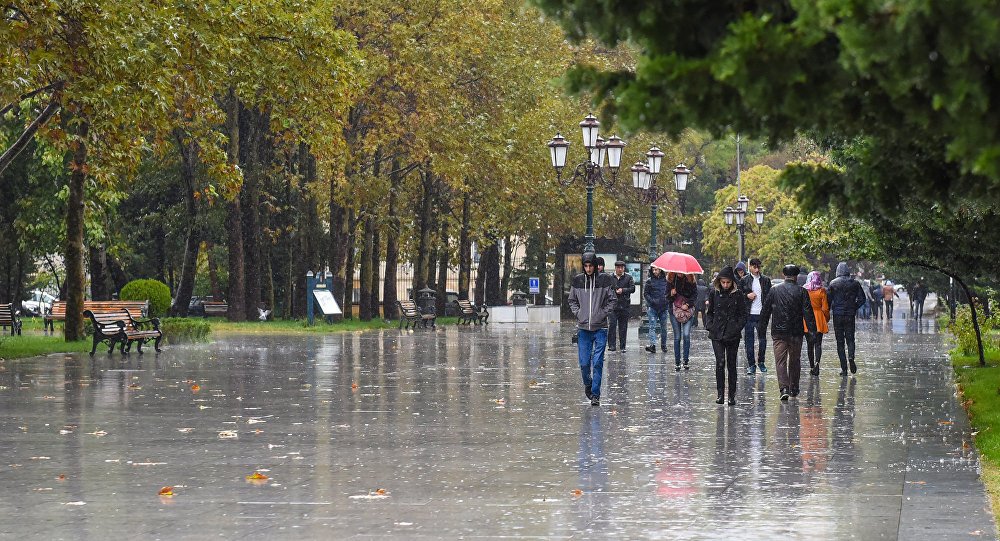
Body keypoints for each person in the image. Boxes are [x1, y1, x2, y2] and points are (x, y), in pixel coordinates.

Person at [757, 264, 817, 401]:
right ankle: (794, 387)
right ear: (796, 276)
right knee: (795, 360)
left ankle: (784, 388)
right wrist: (812, 332)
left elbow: (765, 312)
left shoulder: (774, 291)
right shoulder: (802, 292)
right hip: (796, 332)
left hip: (779, 332)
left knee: (780, 361)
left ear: (784, 275)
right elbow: (808, 313)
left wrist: (761, 329)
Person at [568, 252, 616, 406]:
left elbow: (612, 299)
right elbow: (572, 300)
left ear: (595, 266)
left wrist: (602, 313)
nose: (588, 269)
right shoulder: (577, 281)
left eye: (591, 266)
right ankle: (588, 384)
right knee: (583, 363)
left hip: (601, 327)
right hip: (583, 328)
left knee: (597, 362)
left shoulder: (605, 280)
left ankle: (595, 394)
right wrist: (578, 313)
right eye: (586, 266)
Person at [706, 266, 748, 405]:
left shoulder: (738, 295)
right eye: (723, 282)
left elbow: (743, 314)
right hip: (717, 333)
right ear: (719, 282)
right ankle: (720, 394)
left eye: (728, 283)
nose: (725, 285)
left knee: (731, 364)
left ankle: (731, 395)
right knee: (720, 362)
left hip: (732, 333)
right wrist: (710, 325)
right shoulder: (714, 293)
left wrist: (736, 327)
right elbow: (710, 312)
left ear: (732, 282)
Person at [828, 262, 867, 376]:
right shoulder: (855, 283)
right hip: (850, 314)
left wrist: (832, 309)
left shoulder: (833, 283)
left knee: (840, 342)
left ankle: (844, 369)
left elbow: (828, 300)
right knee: (850, 339)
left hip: (838, 315)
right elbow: (862, 299)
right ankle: (851, 356)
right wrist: (853, 307)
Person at [740, 257, 771, 375]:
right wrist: (747, 295)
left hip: (761, 314)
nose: (757, 270)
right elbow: (739, 294)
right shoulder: (744, 280)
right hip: (748, 314)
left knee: (762, 340)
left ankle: (761, 362)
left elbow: (769, 296)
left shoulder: (766, 280)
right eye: (754, 267)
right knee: (749, 341)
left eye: (758, 267)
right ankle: (751, 364)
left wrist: (768, 311)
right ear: (750, 267)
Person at [667, 272, 698, 370]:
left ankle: (685, 360)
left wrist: (688, 304)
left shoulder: (691, 280)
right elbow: (666, 297)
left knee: (686, 335)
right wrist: (671, 294)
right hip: (674, 311)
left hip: (688, 311)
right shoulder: (671, 280)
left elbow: (695, 295)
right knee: (677, 337)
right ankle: (677, 362)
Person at [803, 271, 830, 376]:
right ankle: (817, 363)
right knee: (818, 344)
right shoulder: (822, 291)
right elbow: (825, 308)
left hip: (807, 319)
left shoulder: (804, 290)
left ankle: (811, 366)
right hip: (819, 318)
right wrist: (826, 319)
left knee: (809, 344)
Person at [607, 261, 635, 352]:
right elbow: (607, 289)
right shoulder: (610, 277)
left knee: (623, 327)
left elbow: (632, 288)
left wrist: (623, 290)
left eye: (622, 268)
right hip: (613, 306)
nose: (620, 269)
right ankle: (612, 345)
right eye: (618, 267)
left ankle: (622, 346)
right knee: (612, 325)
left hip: (624, 305)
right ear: (615, 268)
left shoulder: (628, 277)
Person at [644, 266, 670, 353]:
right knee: (652, 327)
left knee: (664, 328)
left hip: (663, 307)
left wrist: (666, 300)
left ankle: (663, 345)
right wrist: (652, 301)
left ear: (660, 270)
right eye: (653, 270)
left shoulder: (666, 281)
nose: (655, 271)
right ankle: (653, 345)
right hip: (653, 307)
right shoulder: (649, 281)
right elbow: (646, 294)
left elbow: (669, 292)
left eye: (656, 269)